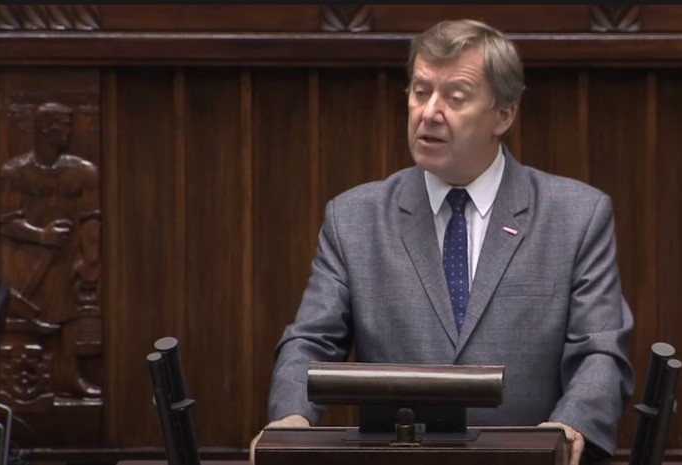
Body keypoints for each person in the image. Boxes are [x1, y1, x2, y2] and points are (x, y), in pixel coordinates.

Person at [252, 19, 634, 465]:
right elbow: (311, 341)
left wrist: (569, 425)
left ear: (504, 115)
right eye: (420, 92)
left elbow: (599, 350)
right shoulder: (354, 218)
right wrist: (292, 418)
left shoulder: (576, 216)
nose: (429, 112)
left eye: (455, 97)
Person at [0, 101, 102, 400]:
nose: (67, 132)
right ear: (44, 129)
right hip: (24, 260)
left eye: (69, 126)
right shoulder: (15, 172)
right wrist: (41, 235)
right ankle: (16, 384)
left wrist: (91, 258)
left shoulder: (83, 172)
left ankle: (68, 377)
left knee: (67, 317)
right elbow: (6, 221)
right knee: (24, 322)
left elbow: (91, 218)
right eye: (61, 126)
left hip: (65, 258)